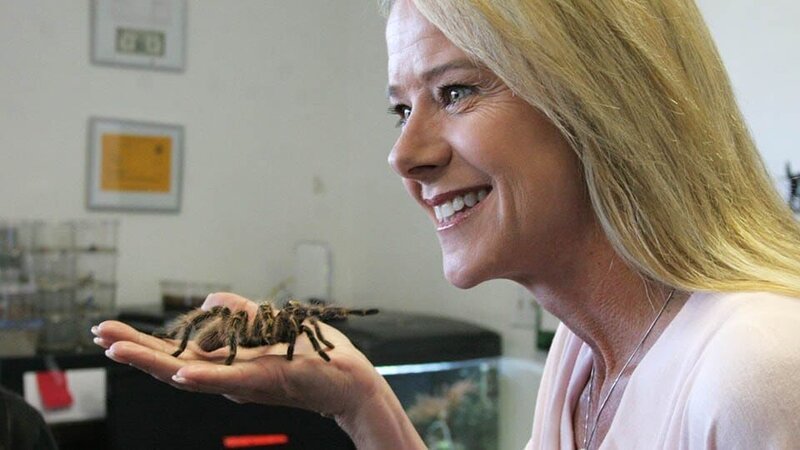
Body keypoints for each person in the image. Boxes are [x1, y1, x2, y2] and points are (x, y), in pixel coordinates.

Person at [92, 0, 800, 448]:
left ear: (603, 101)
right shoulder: (584, 359)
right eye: (402, 108)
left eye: (456, 92)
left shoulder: (753, 370)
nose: (405, 155)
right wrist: (363, 400)